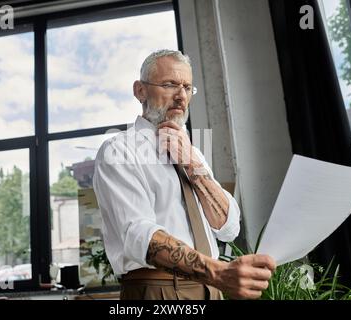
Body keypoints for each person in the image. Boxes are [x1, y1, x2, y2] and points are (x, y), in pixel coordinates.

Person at [93, 49, 276, 300]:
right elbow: (139, 236)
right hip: (159, 291)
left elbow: (228, 227)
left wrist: (191, 163)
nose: (181, 96)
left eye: (187, 88)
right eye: (169, 85)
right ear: (140, 91)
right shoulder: (118, 150)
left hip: (212, 288)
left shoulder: (194, 153)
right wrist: (219, 272)